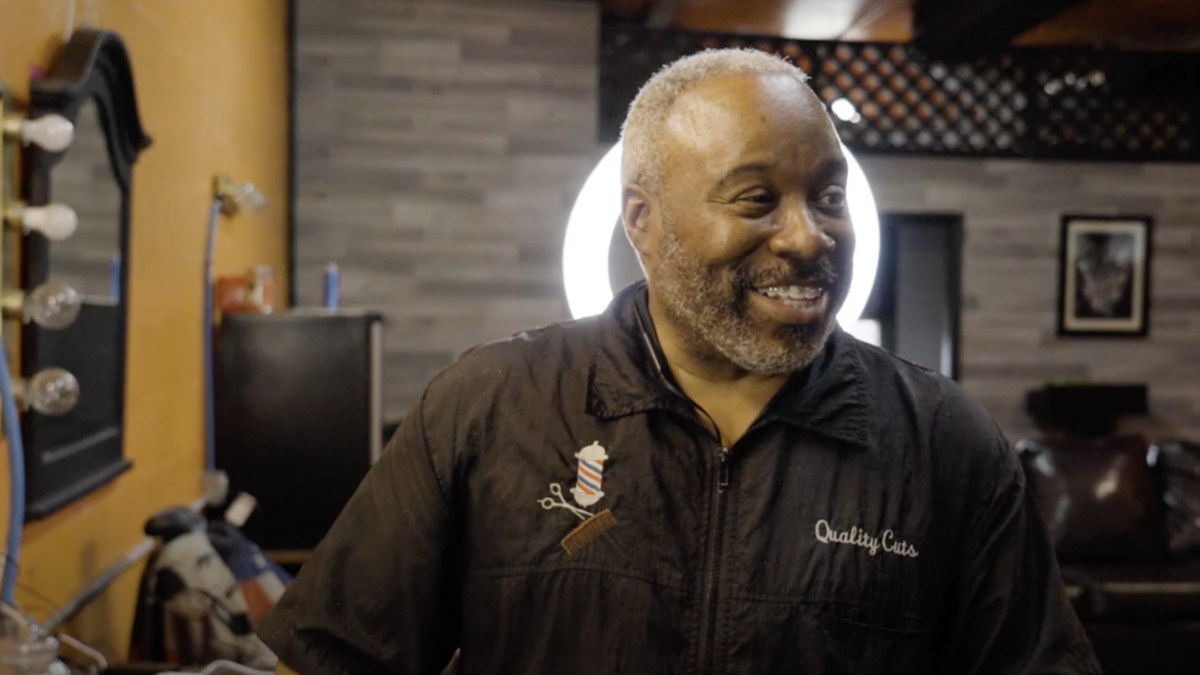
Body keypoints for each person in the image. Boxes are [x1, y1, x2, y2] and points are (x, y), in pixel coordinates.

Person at [257, 49, 1101, 674]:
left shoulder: (943, 444)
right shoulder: (489, 408)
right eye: (756, 198)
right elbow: (327, 660)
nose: (811, 236)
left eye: (830, 195)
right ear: (643, 222)